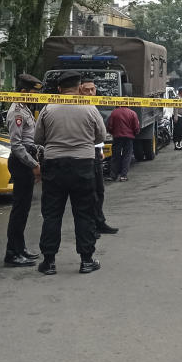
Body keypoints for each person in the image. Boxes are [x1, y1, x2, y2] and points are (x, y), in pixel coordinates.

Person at [34, 70, 106, 275]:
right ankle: (86, 260)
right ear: (79, 87)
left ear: (59, 88)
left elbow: (38, 138)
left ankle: (49, 262)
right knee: (84, 213)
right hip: (83, 164)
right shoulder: (89, 108)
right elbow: (101, 134)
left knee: (52, 214)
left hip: (54, 165)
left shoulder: (48, 108)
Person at [3, 74, 44, 267]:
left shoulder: (25, 109)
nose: (36, 97)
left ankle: (20, 248)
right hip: (21, 163)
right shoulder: (17, 112)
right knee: (19, 210)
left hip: (26, 160)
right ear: (23, 92)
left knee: (24, 209)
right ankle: (12, 254)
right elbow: (17, 145)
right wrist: (33, 164)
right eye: (34, 93)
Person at [80, 77, 118, 235]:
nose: (90, 92)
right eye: (86, 90)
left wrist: (100, 150)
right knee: (89, 193)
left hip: (95, 152)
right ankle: (91, 226)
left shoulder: (93, 106)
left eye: (92, 89)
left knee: (99, 190)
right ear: (80, 91)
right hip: (84, 154)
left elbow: (98, 133)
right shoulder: (79, 107)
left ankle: (99, 222)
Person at [107, 103, 139, 181]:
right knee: (127, 156)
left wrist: (113, 133)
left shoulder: (114, 112)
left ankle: (113, 175)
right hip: (128, 137)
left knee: (115, 156)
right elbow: (136, 127)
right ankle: (123, 176)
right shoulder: (132, 113)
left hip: (117, 137)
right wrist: (134, 133)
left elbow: (110, 126)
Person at [173, 86, 182, 150]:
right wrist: (175, 116)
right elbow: (175, 108)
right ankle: (176, 144)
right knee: (177, 131)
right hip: (178, 116)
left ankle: (179, 143)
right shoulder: (177, 98)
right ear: (181, 92)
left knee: (181, 131)